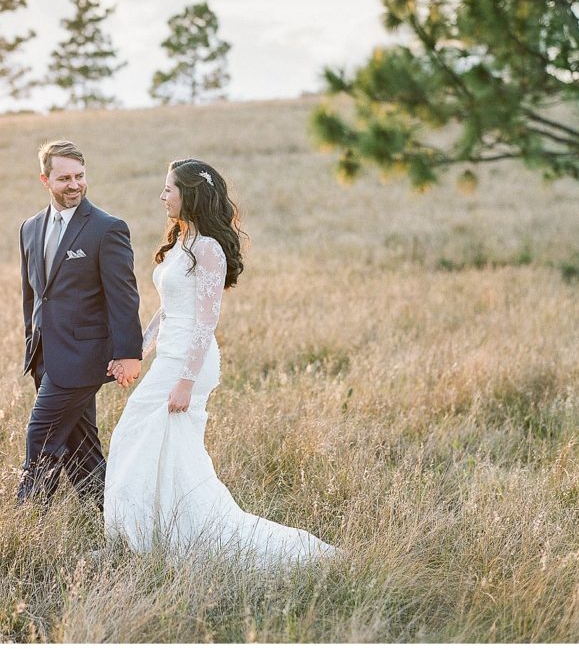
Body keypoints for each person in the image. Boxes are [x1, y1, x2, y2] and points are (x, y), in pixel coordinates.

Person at [104, 159, 340, 565]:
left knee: (151, 442)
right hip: (169, 358)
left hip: (189, 364)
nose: (162, 197)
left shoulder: (209, 249)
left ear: (189, 194)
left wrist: (186, 381)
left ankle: (177, 535)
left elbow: (206, 319)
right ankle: (145, 535)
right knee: (143, 443)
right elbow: (168, 309)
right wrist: (137, 352)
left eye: (168, 190)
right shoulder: (181, 240)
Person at [18, 140, 143, 510]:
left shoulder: (106, 229)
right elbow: (33, 295)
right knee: (79, 443)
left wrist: (129, 354)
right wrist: (32, 343)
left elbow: (123, 297)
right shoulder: (29, 228)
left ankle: (23, 525)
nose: (74, 185)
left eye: (80, 176)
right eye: (64, 178)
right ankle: (113, 518)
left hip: (84, 357)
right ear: (45, 180)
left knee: (40, 434)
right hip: (44, 355)